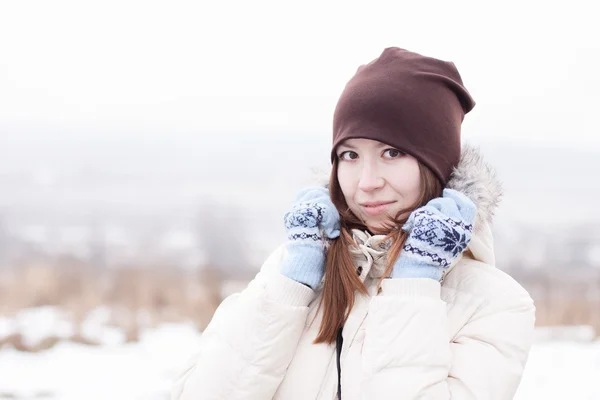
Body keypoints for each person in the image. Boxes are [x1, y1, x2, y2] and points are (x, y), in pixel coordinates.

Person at [171, 47, 536, 400]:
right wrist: (291, 286)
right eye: (350, 155)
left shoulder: (496, 305)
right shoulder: (293, 265)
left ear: (437, 166)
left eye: (392, 153)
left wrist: (413, 286)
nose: (366, 181)